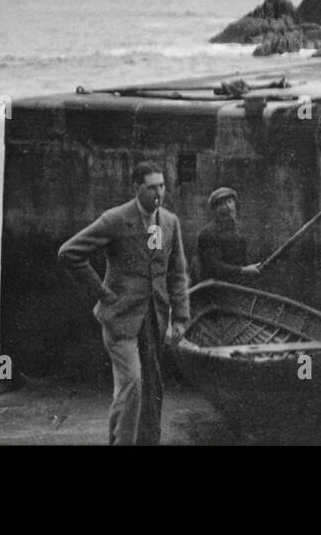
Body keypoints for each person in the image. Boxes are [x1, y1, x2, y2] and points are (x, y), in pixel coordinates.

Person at [58, 160, 190, 446]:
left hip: (155, 318)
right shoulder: (115, 219)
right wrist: (102, 292)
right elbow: (69, 253)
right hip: (120, 319)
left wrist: (180, 317)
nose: (159, 193)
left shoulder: (169, 222)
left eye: (162, 186)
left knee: (153, 387)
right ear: (136, 188)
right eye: (151, 187)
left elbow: (177, 272)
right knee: (132, 384)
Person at [197, 187, 263, 283]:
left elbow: (244, 260)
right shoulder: (208, 233)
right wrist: (244, 270)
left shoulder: (239, 230)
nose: (229, 207)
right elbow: (214, 267)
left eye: (230, 201)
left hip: (239, 285)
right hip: (215, 289)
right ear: (216, 209)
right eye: (223, 204)